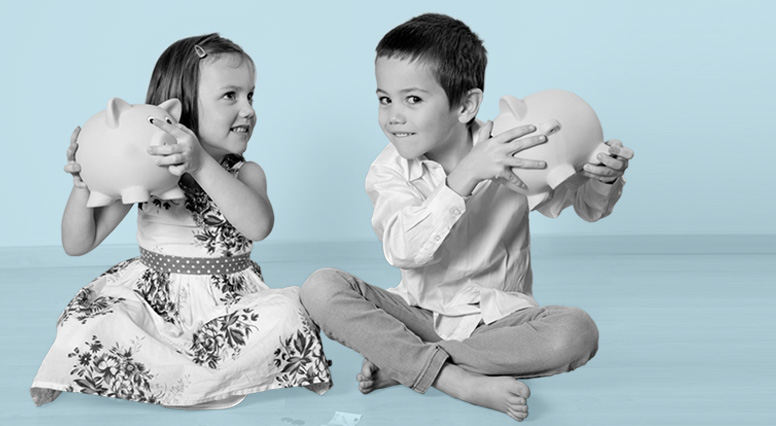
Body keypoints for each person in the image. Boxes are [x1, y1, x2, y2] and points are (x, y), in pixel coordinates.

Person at [300, 13, 633, 422]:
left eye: (413, 99)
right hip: (415, 314)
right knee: (320, 287)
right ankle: (454, 379)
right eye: (384, 99)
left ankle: (410, 365)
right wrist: (464, 179)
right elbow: (404, 251)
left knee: (577, 331)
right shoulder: (387, 171)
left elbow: (584, 207)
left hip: (497, 323)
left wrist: (603, 178)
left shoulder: (513, 149)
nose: (393, 116)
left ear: (466, 105)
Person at [31, 33, 332, 409]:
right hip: (154, 301)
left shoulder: (245, 173)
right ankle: (67, 370)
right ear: (182, 109)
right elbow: (77, 244)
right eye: (230, 96)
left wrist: (202, 165)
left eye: (250, 95)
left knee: (289, 313)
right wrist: (82, 187)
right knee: (91, 320)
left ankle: (282, 365)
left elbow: (258, 227)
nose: (249, 109)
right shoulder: (146, 172)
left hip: (227, 306)